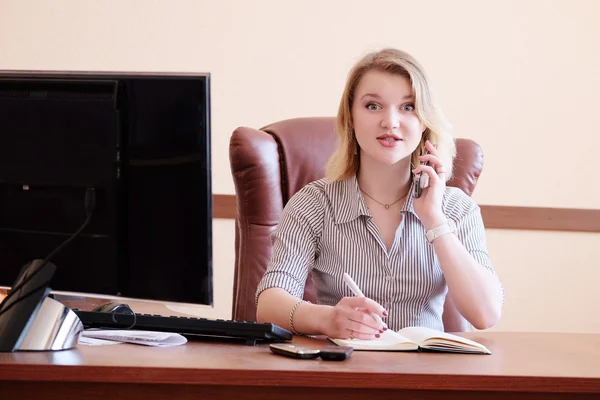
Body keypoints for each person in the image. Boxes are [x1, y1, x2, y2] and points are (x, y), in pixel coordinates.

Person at [255, 48, 504, 340]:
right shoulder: (314, 204)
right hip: (343, 371)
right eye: (373, 106)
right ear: (351, 116)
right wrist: (328, 319)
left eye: (408, 107)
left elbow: (486, 314)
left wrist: (435, 221)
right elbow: (268, 304)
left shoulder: (457, 208)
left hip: (428, 375)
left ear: (424, 121)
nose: (390, 121)